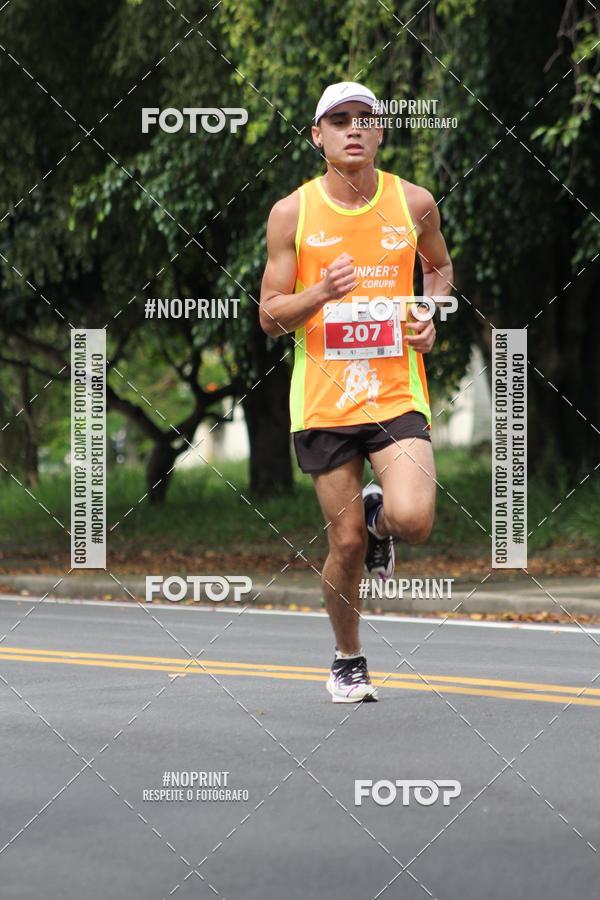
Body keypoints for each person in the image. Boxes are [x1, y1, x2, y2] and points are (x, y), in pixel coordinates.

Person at [259, 82, 453, 703]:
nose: (353, 129)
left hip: (395, 391)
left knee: (414, 519)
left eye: (364, 119)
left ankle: (380, 516)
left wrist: (430, 311)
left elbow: (440, 268)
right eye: (337, 120)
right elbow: (269, 314)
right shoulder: (293, 212)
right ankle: (348, 658)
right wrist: (320, 295)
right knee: (343, 545)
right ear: (318, 136)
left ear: (380, 133)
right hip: (324, 400)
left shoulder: (414, 202)